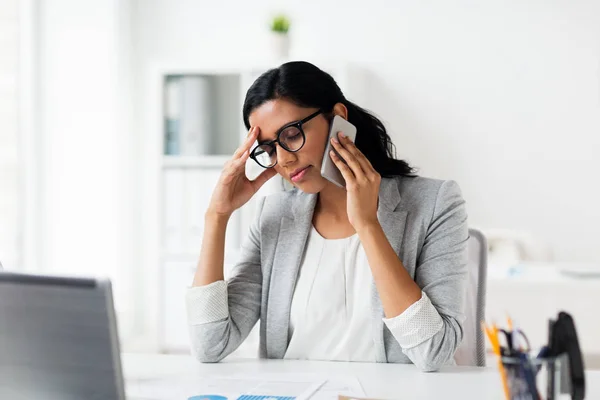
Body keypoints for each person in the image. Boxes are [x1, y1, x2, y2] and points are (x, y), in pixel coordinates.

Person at [186, 61, 468, 372]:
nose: (283, 159)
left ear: (338, 118)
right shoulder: (276, 217)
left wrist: (367, 224)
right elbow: (210, 344)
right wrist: (217, 216)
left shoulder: (434, 204)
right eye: (268, 148)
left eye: (292, 134)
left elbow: (434, 353)